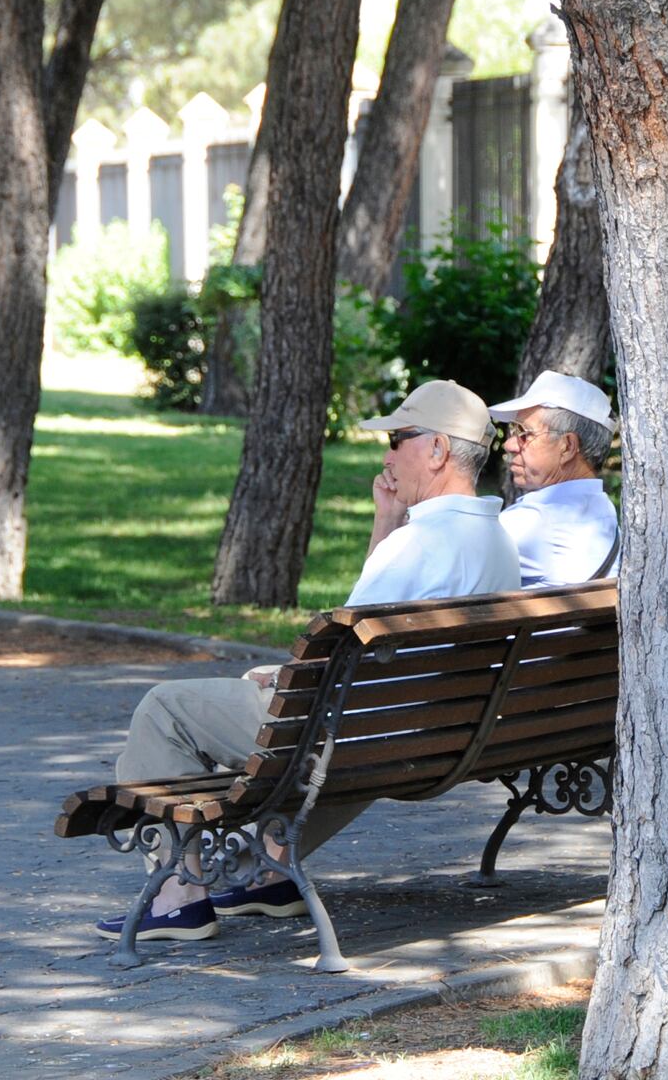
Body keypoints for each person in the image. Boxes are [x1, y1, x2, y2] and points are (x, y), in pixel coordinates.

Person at [96, 379, 520, 944]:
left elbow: (342, 652)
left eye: (398, 439)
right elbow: (364, 635)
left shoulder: (421, 544)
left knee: (164, 708)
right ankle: (271, 872)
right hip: (423, 735)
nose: (387, 454)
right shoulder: (495, 539)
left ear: (439, 450)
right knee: (362, 729)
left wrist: (285, 679)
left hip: (352, 728)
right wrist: (385, 522)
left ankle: (179, 897)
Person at [487, 370, 620, 587]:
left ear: (567, 447)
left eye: (524, 434)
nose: (509, 445)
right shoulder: (606, 515)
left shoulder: (534, 522)